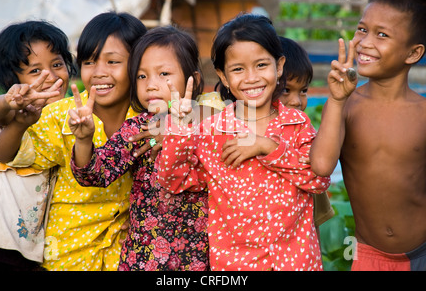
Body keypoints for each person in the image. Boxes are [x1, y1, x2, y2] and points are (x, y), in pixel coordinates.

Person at [157, 13, 330, 271]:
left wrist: (268, 147)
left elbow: (318, 180)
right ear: (223, 76)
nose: (251, 78)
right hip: (238, 266)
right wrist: (179, 130)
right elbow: (173, 180)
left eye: (261, 65)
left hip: (298, 262)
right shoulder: (212, 131)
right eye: (238, 69)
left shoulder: (297, 123)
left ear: (279, 66)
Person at [0, 12, 147, 270]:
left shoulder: (150, 116)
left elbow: (205, 111)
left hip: (127, 250)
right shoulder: (61, 114)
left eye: (113, 62)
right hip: (69, 250)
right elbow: (3, 153)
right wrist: (19, 123)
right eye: (89, 62)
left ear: (138, 65)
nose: (99, 73)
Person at [68, 25, 209, 271]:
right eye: (142, 76)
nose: (151, 85)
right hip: (145, 257)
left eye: (164, 74)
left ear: (193, 80)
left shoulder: (211, 121)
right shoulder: (138, 129)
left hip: (200, 257)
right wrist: (83, 140)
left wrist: (181, 130)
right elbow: (96, 173)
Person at [309, 0, 426, 271]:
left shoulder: (423, 113)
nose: (364, 42)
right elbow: (322, 166)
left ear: (413, 53)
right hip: (367, 255)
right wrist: (336, 101)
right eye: (362, 29)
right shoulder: (346, 106)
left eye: (382, 34)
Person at [0, 20, 74, 270]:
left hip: (27, 250)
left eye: (57, 65)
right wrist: (12, 102)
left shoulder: (63, 117)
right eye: (35, 71)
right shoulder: (14, 109)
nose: (51, 77)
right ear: (14, 80)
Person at [279, 36, 335, 230]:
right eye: (286, 90)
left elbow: (319, 174)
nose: (297, 101)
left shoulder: (303, 128)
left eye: (303, 91)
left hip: (305, 223)